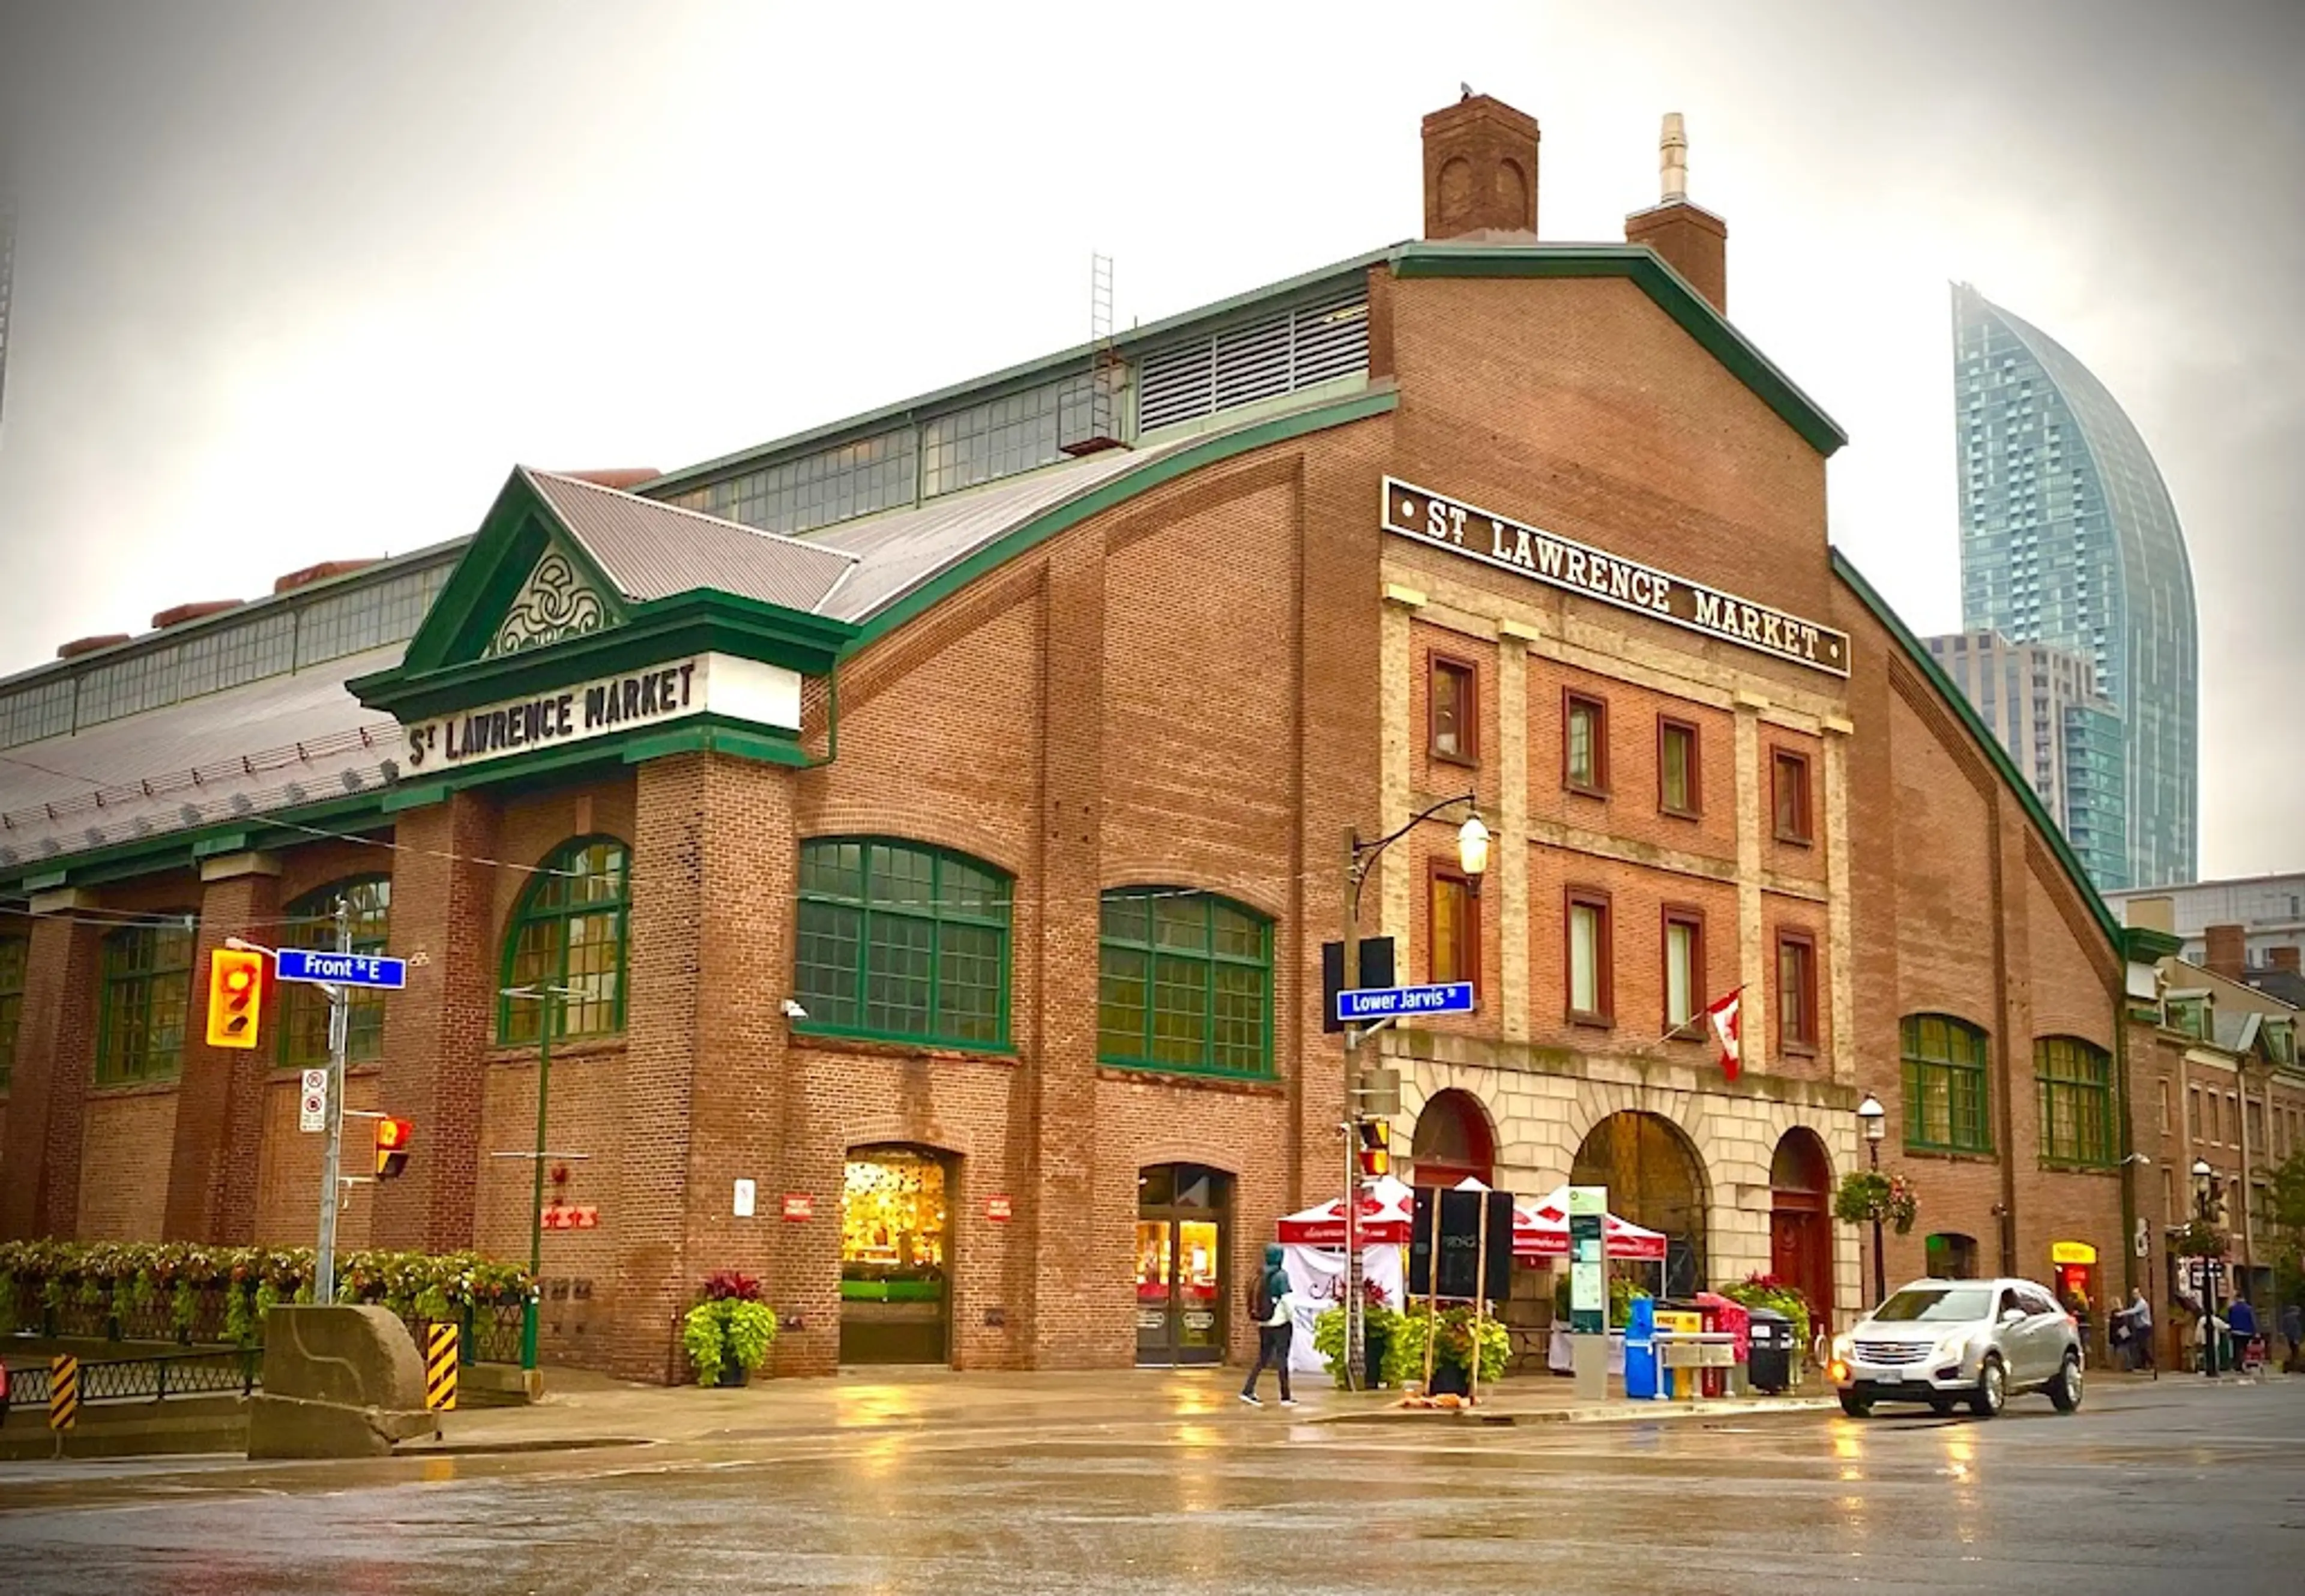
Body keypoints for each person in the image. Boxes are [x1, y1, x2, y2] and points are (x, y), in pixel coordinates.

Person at [1239, 1243, 1298, 1408]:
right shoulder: (1281, 1276)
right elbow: (1287, 1301)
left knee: (1262, 1359)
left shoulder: (1259, 1275)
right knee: (1282, 1359)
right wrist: (1292, 1318)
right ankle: (1285, 1396)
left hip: (1263, 1322)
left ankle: (1248, 1390)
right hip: (1280, 1323)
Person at [2282, 1301, 2303, 1373]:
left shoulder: (2286, 1317)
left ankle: (2288, 1367)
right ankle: (2295, 1367)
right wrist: (2297, 1337)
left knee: (2292, 1351)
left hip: (2288, 1336)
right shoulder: (2297, 1317)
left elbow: (2284, 1327)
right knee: (2296, 1352)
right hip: (2295, 1337)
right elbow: (2296, 1328)